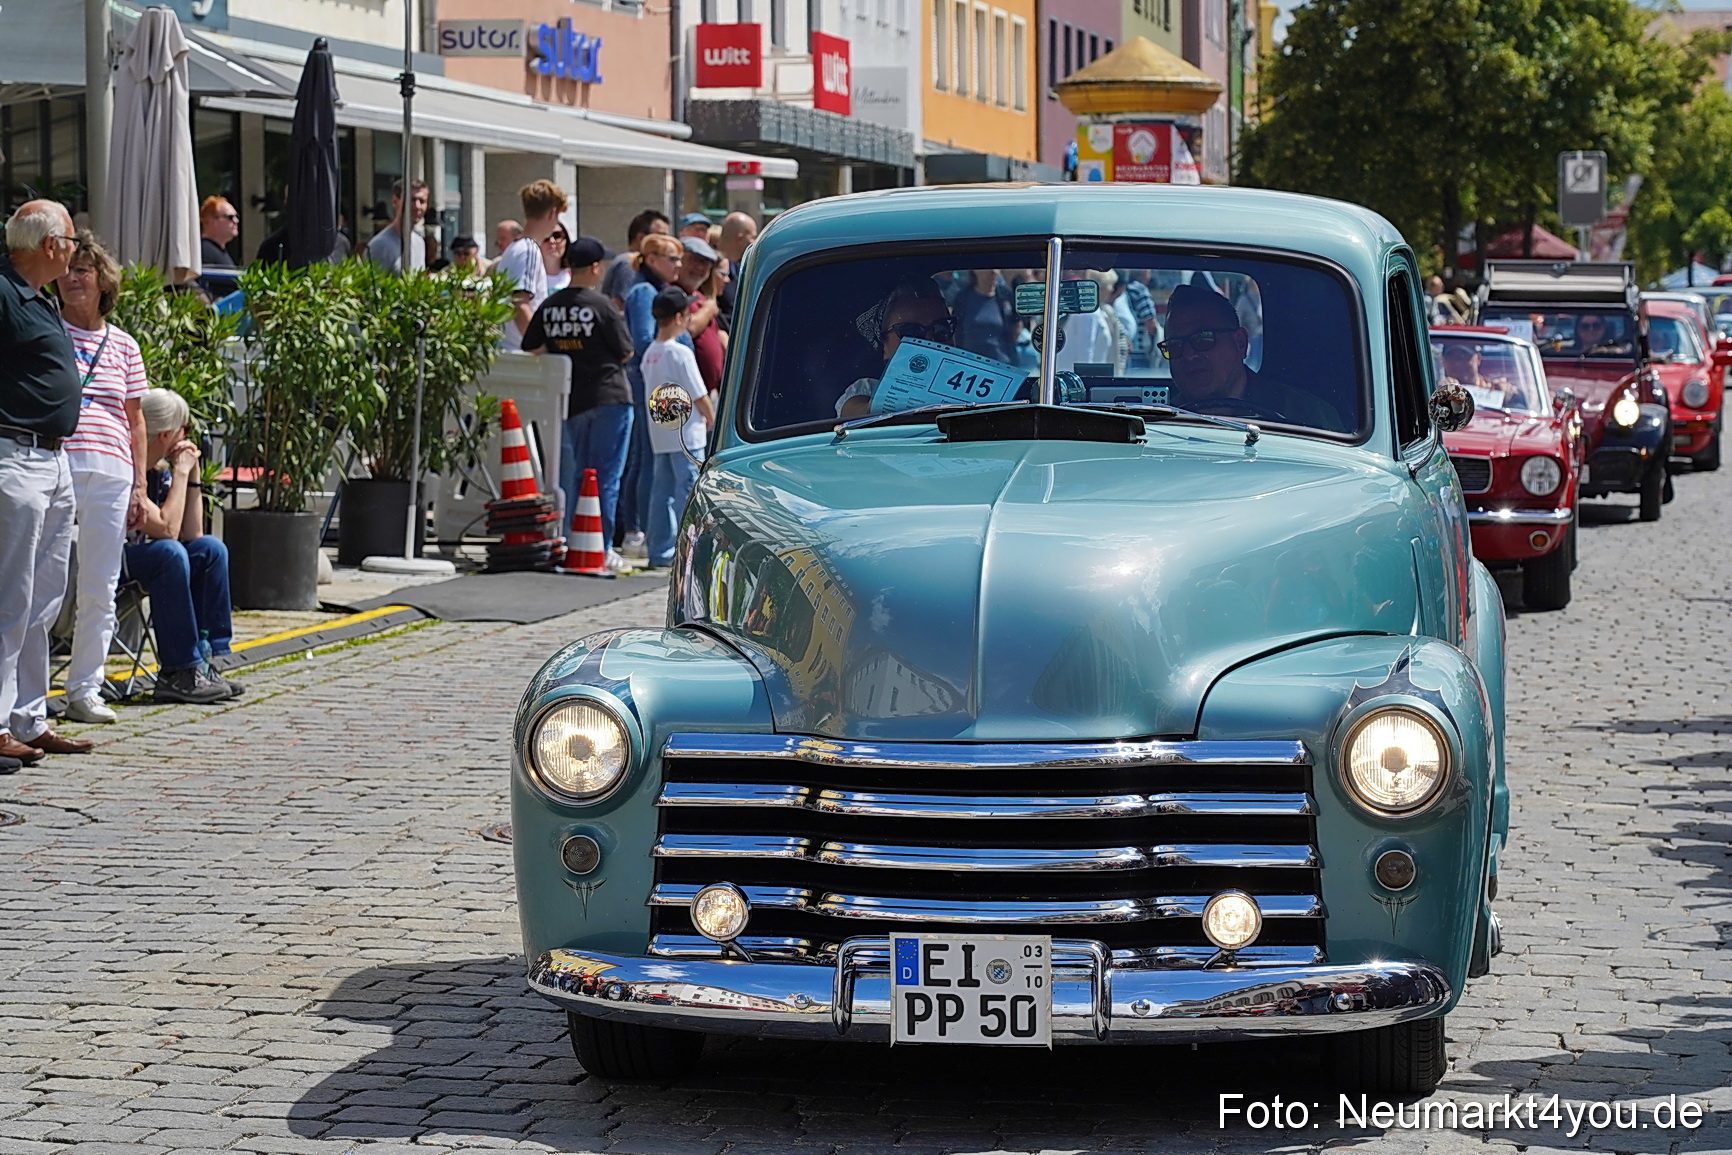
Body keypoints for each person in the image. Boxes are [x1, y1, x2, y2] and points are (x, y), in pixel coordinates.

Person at [0, 200, 95, 767]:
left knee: (43, 598)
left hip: (52, 461)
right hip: (15, 456)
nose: (76, 247)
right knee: (9, 596)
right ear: (48, 245)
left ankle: (28, 717)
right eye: (71, 238)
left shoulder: (37, 298)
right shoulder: (5, 294)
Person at [55, 232, 149, 724]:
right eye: (67, 270)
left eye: (82, 271)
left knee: (100, 584)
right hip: (58, 463)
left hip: (111, 469)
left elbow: (134, 419)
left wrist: (139, 484)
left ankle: (85, 688)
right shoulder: (48, 330)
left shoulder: (125, 345)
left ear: (102, 281)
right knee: (42, 582)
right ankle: (23, 694)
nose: (72, 279)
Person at [522, 235, 635, 572]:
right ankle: (599, 547)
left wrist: (566, 350)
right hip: (609, 396)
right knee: (606, 476)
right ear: (596, 268)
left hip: (572, 401)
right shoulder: (601, 305)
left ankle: (577, 540)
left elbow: (532, 345)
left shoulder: (552, 305)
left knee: (576, 476)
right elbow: (626, 351)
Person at [128, 389, 239, 704]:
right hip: (106, 562)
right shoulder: (127, 468)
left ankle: (203, 662)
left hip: (138, 557)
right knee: (169, 554)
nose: (188, 437)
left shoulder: (159, 472)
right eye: (185, 429)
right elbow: (167, 529)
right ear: (166, 434)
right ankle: (178, 671)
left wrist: (192, 475)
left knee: (210, 550)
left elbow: (193, 531)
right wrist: (179, 471)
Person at [1161, 282, 1340, 429]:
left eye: (1203, 339)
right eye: (1175, 345)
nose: (1189, 354)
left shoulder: (1305, 416)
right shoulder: (1159, 425)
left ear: (1240, 343)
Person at [617, 233, 684, 557]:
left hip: (654, 384)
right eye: (673, 258)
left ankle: (643, 528)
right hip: (652, 385)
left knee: (649, 459)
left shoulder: (650, 289)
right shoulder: (644, 291)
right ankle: (639, 527)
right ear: (653, 259)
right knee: (648, 460)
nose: (678, 265)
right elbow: (645, 340)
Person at [640, 286, 713, 569]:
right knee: (688, 491)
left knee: (662, 492)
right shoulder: (680, 352)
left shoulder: (651, 353)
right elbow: (699, 393)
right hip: (688, 433)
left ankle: (659, 549)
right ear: (680, 316)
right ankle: (690, 552)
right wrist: (712, 417)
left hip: (661, 433)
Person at [837, 277, 957, 419]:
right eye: (911, 332)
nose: (929, 341)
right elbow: (857, 414)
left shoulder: (975, 384)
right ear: (884, 345)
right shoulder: (867, 391)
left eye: (941, 329)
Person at [497, 180, 568, 351]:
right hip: (520, 353)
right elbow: (520, 304)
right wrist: (542, 348)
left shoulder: (514, 249)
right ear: (552, 213)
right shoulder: (529, 250)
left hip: (507, 348)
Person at [676, 235, 725, 399]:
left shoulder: (699, 297)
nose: (700, 267)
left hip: (708, 394)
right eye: (694, 260)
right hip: (686, 396)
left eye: (705, 263)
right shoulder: (673, 294)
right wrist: (709, 310)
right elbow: (687, 330)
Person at [603, 209, 670, 309]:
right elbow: (619, 305)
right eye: (661, 237)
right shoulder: (629, 263)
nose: (666, 243)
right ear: (641, 238)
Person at [949, 268, 1017, 364]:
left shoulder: (1005, 295)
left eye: (997, 268)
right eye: (988, 268)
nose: (994, 272)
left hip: (1001, 365)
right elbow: (955, 331)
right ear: (975, 271)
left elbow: (1015, 326)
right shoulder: (963, 298)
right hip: (972, 364)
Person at [364, 179, 429, 274]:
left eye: (422, 201)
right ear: (395, 201)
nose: (417, 206)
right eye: (412, 200)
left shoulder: (419, 243)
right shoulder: (380, 245)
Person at [714, 211, 757, 328]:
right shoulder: (709, 267)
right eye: (753, 237)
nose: (755, 243)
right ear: (740, 238)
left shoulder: (743, 268)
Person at [196, 196, 240, 298]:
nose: (236, 220)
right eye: (230, 217)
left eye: (236, 216)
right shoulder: (203, 251)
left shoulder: (220, 251)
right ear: (212, 221)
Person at [541, 225, 571, 295]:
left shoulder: (575, 277)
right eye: (546, 237)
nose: (552, 241)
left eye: (557, 236)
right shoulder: (529, 278)